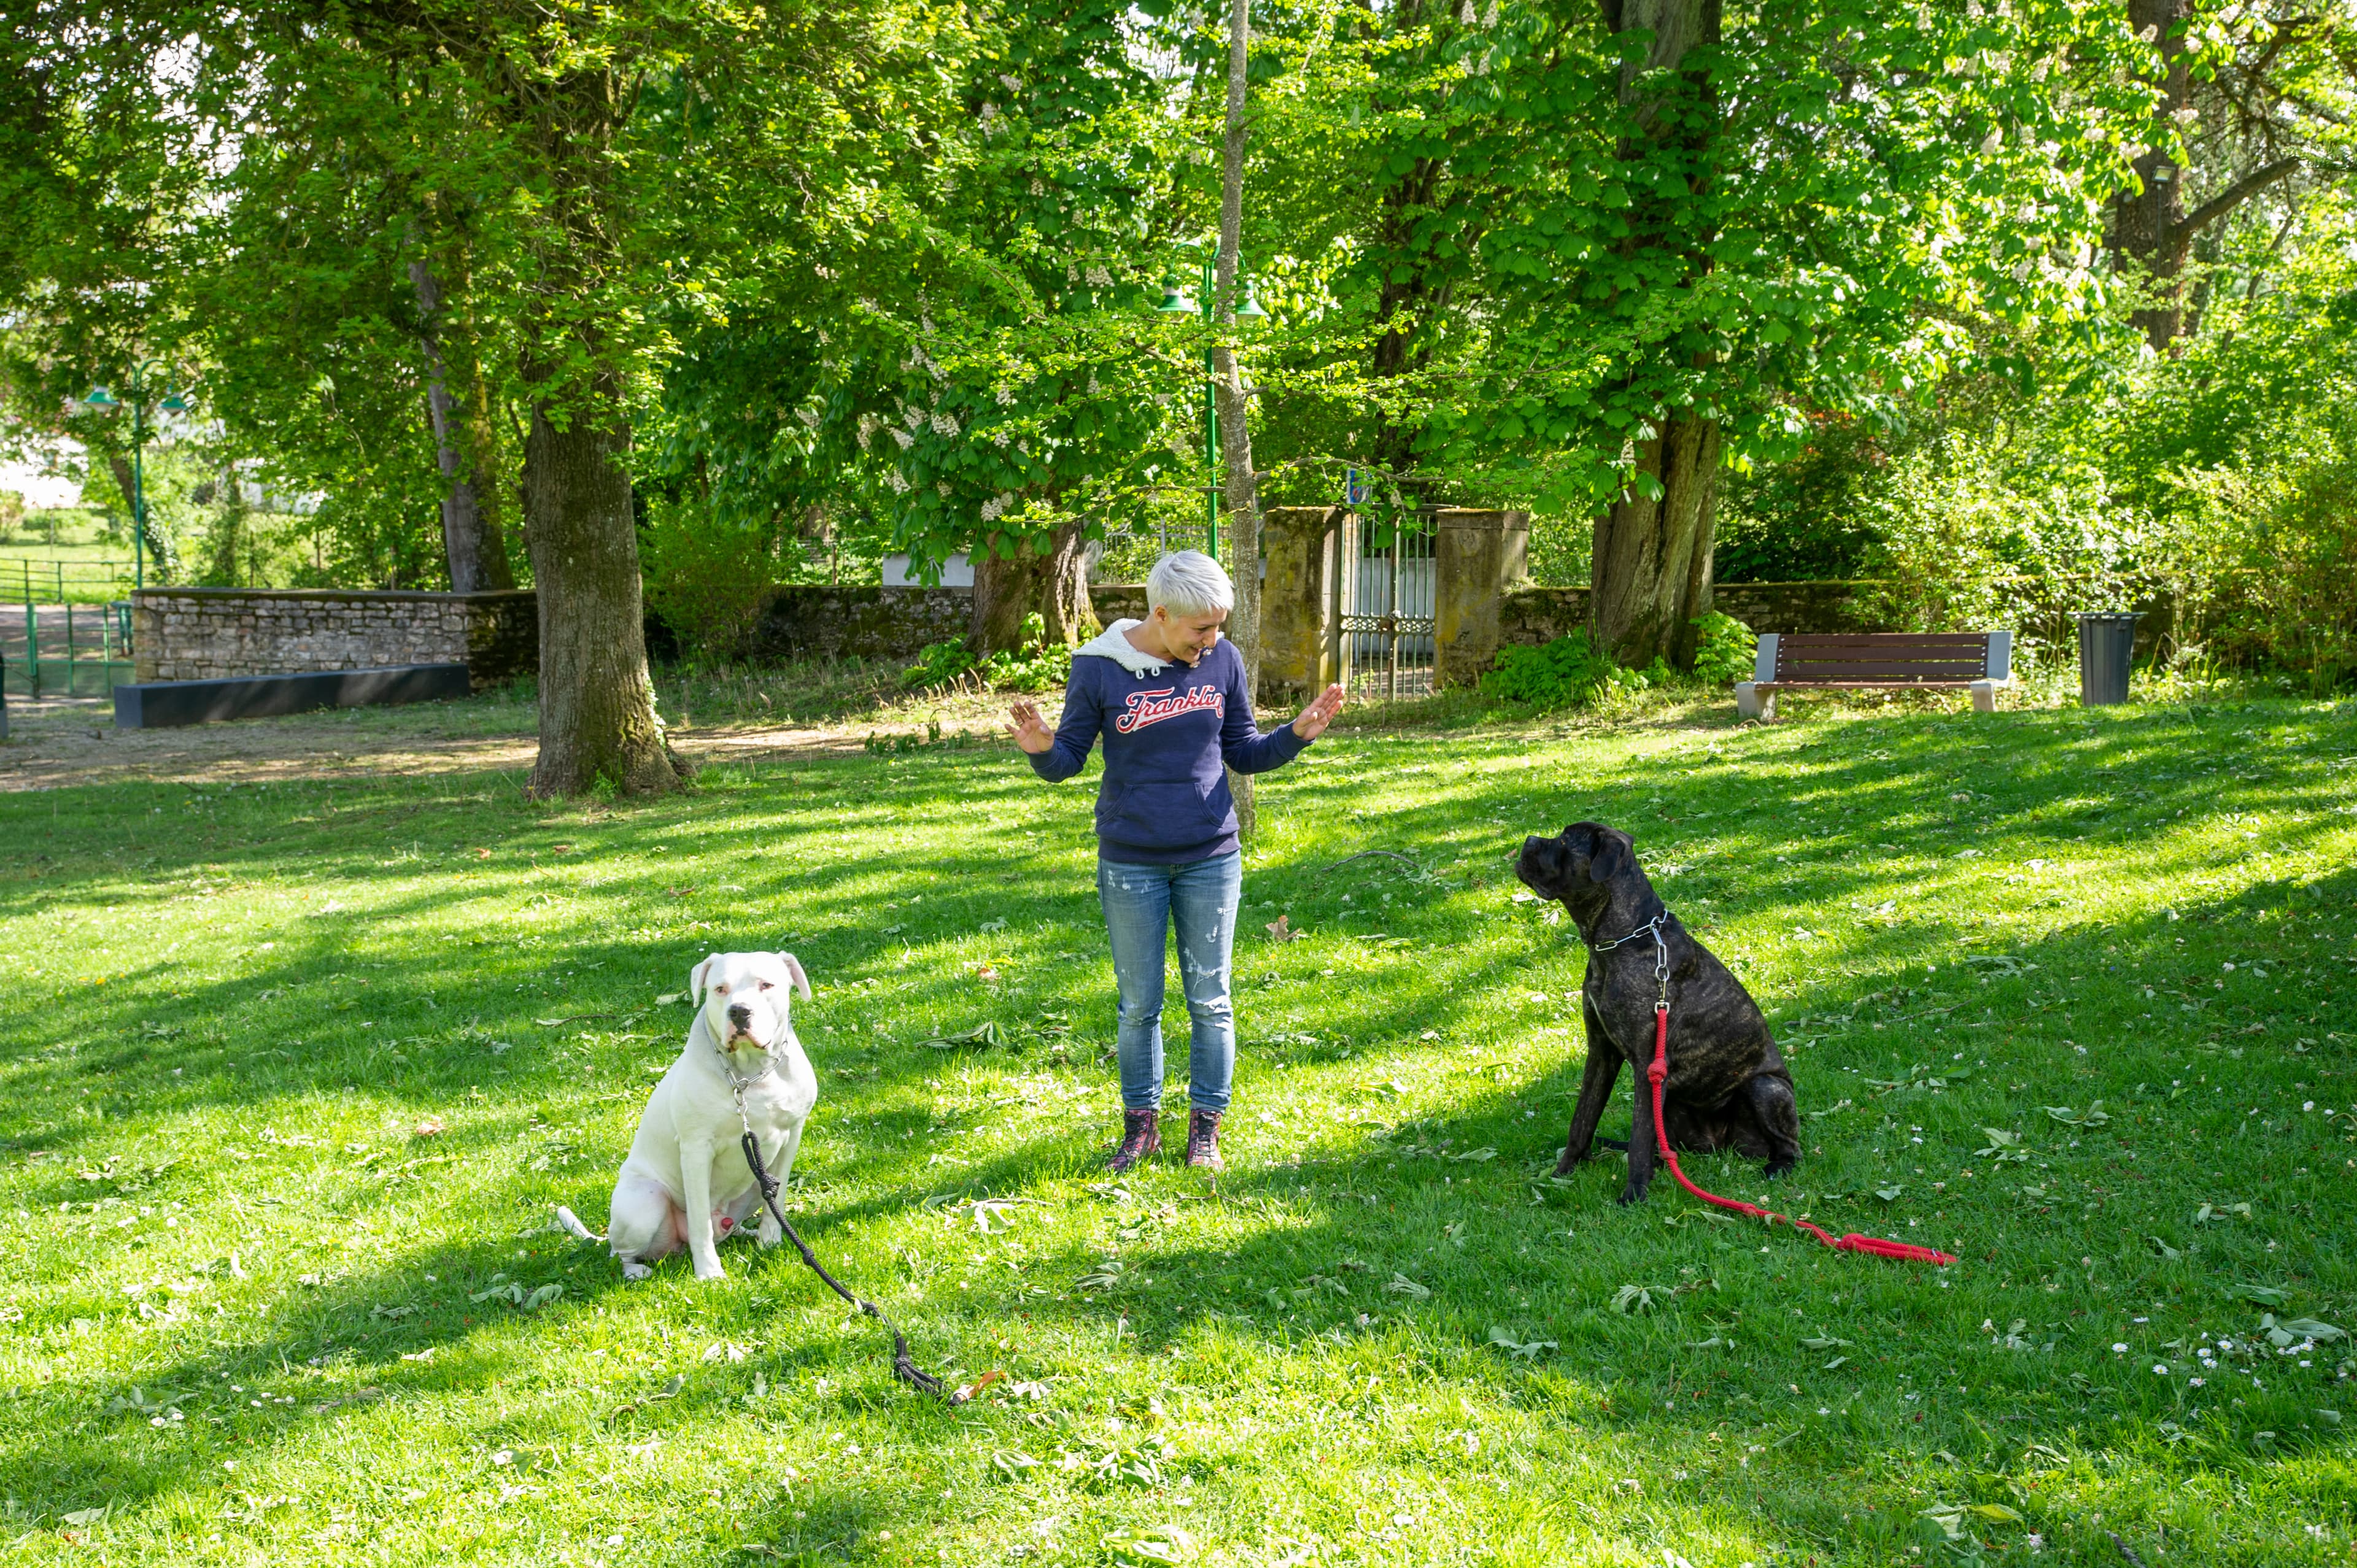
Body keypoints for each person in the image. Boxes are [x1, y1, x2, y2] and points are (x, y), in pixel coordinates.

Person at [1008, 550, 1344, 1172]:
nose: (1211, 640)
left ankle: (1205, 1130)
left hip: (1210, 855)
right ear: (1161, 614)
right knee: (1139, 1003)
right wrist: (1041, 750)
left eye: (1217, 628)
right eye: (1200, 630)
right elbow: (1068, 760)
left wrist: (1295, 733)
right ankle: (1141, 1128)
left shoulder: (1224, 661)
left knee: (1211, 998)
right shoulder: (1099, 666)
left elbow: (1243, 753)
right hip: (1131, 859)